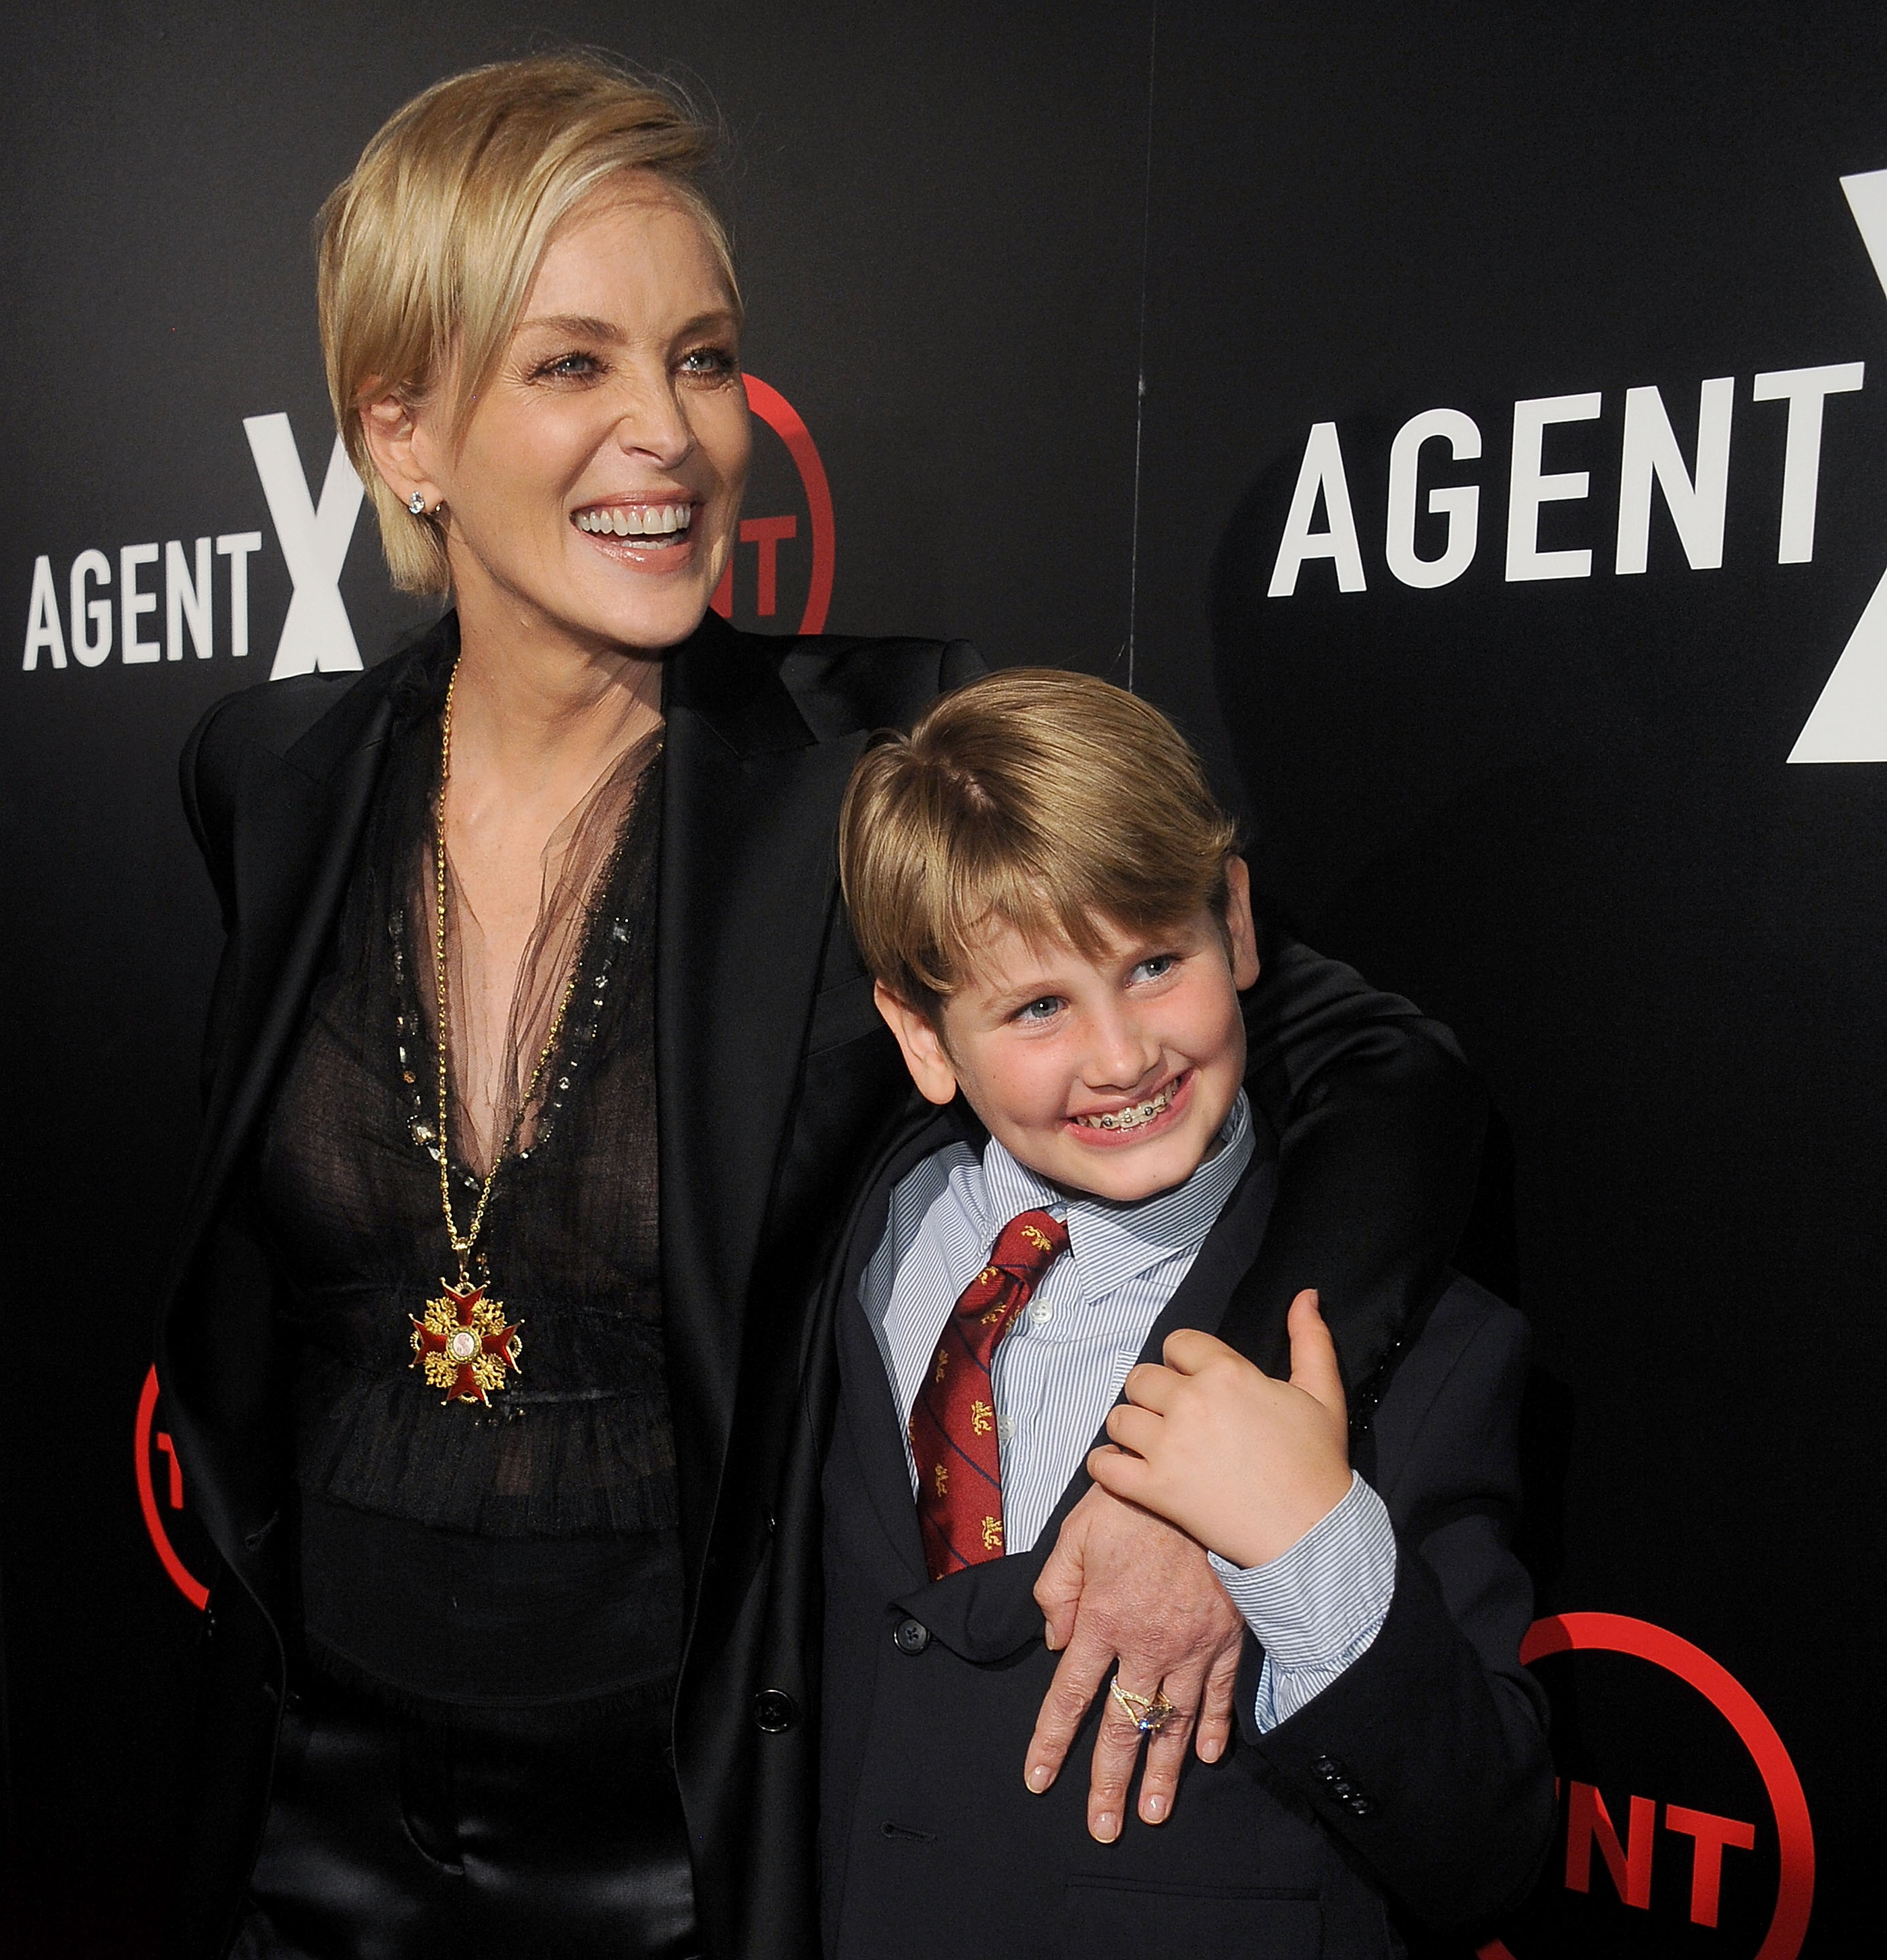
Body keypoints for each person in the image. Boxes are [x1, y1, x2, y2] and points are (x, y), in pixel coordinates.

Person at [155, 51, 1489, 1960]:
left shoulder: (874, 758)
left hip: (699, 1838)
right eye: (572, 365)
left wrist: (1217, 1457)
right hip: (312, 1801)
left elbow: (1377, 1067)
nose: (672, 434)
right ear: (403, 431)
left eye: (701, 359)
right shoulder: (267, 776)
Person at [808, 668, 1554, 1957]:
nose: (1121, 1055)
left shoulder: (1423, 1343)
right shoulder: (854, 1246)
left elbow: (1484, 1845)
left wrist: (1304, 1545)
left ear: (1239, 929)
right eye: (1038, 1006)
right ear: (922, 1038)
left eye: (1155, 964)